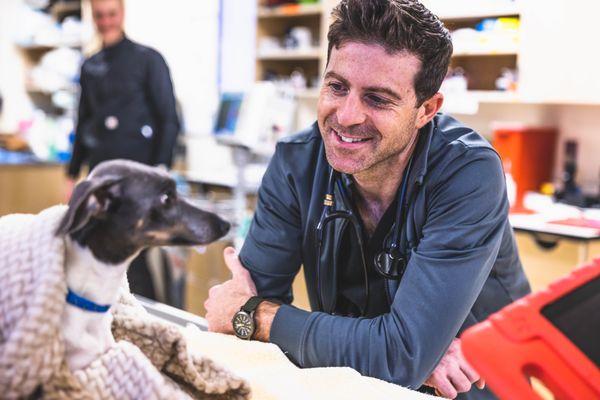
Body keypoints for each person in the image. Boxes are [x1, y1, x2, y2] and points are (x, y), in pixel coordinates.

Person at [204, 1, 531, 398]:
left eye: (377, 99)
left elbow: (397, 358)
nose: (345, 116)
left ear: (426, 109)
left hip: (470, 391)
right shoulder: (297, 163)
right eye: (336, 87)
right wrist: (404, 353)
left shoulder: (468, 173)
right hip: (352, 386)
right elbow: (238, 321)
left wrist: (257, 316)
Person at [67, 0, 180, 299]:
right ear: (93, 17)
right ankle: (111, 322)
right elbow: (83, 123)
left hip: (141, 177)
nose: (106, 21)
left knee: (135, 254)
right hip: (102, 178)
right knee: (101, 253)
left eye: (111, 14)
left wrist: (160, 171)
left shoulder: (148, 60)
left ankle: (147, 325)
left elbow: (169, 119)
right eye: (100, 16)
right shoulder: (90, 66)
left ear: (122, 13)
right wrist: (72, 175)